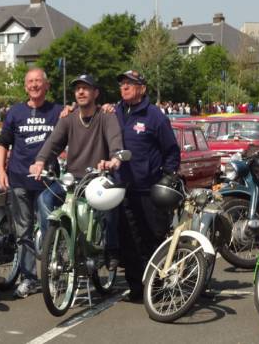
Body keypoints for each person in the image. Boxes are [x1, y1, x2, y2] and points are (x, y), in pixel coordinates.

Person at [30, 74, 124, 270]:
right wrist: (40, 161)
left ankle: (112, 249)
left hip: (98, 177)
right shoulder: (68, 118)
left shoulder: (106, 116)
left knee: (109, 210)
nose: (80, 92)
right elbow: (53, 143)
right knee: (44, 199)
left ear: (95, 93)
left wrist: (114, 159)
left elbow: (115, 141)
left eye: (86, 88)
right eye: (77, 88)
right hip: (72, 179)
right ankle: (55, 247)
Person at [0, 68, 64, 299]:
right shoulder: (15, 112)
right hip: (18, 180)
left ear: (47, 85)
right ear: (25, 87)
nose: (34, 85)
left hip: (47, 182)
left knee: (49, 229)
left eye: (39, 81)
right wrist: (1, 171)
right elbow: (3, 144)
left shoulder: (57, 112)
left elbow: (80, 125)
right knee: (23, 232)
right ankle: (29, 278)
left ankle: (52, 274)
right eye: (30, 82)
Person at [114, 70, 180, 302]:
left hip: (149, 190)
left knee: (152, 239)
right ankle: (135, 289)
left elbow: (171, 150)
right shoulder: (115, 112)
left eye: (130, 83)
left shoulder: (155, 116)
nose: (125, 87)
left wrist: (168, 176)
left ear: (142, 88)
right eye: (122, 83)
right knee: (129, 240)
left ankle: (157, 288)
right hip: (122, 188)